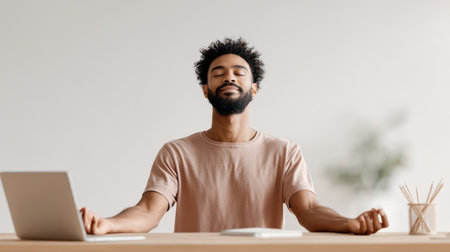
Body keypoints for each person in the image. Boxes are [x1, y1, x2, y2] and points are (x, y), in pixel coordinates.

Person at [80, 38, 389, 235]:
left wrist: (348, 224)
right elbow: (148, 212)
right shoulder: (176, 153)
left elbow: (307, 211)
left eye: (240, 72)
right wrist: (107, 225)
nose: (229, 76)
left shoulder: (285, 152)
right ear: (205, 89)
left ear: (254, 89)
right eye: (218, 73)